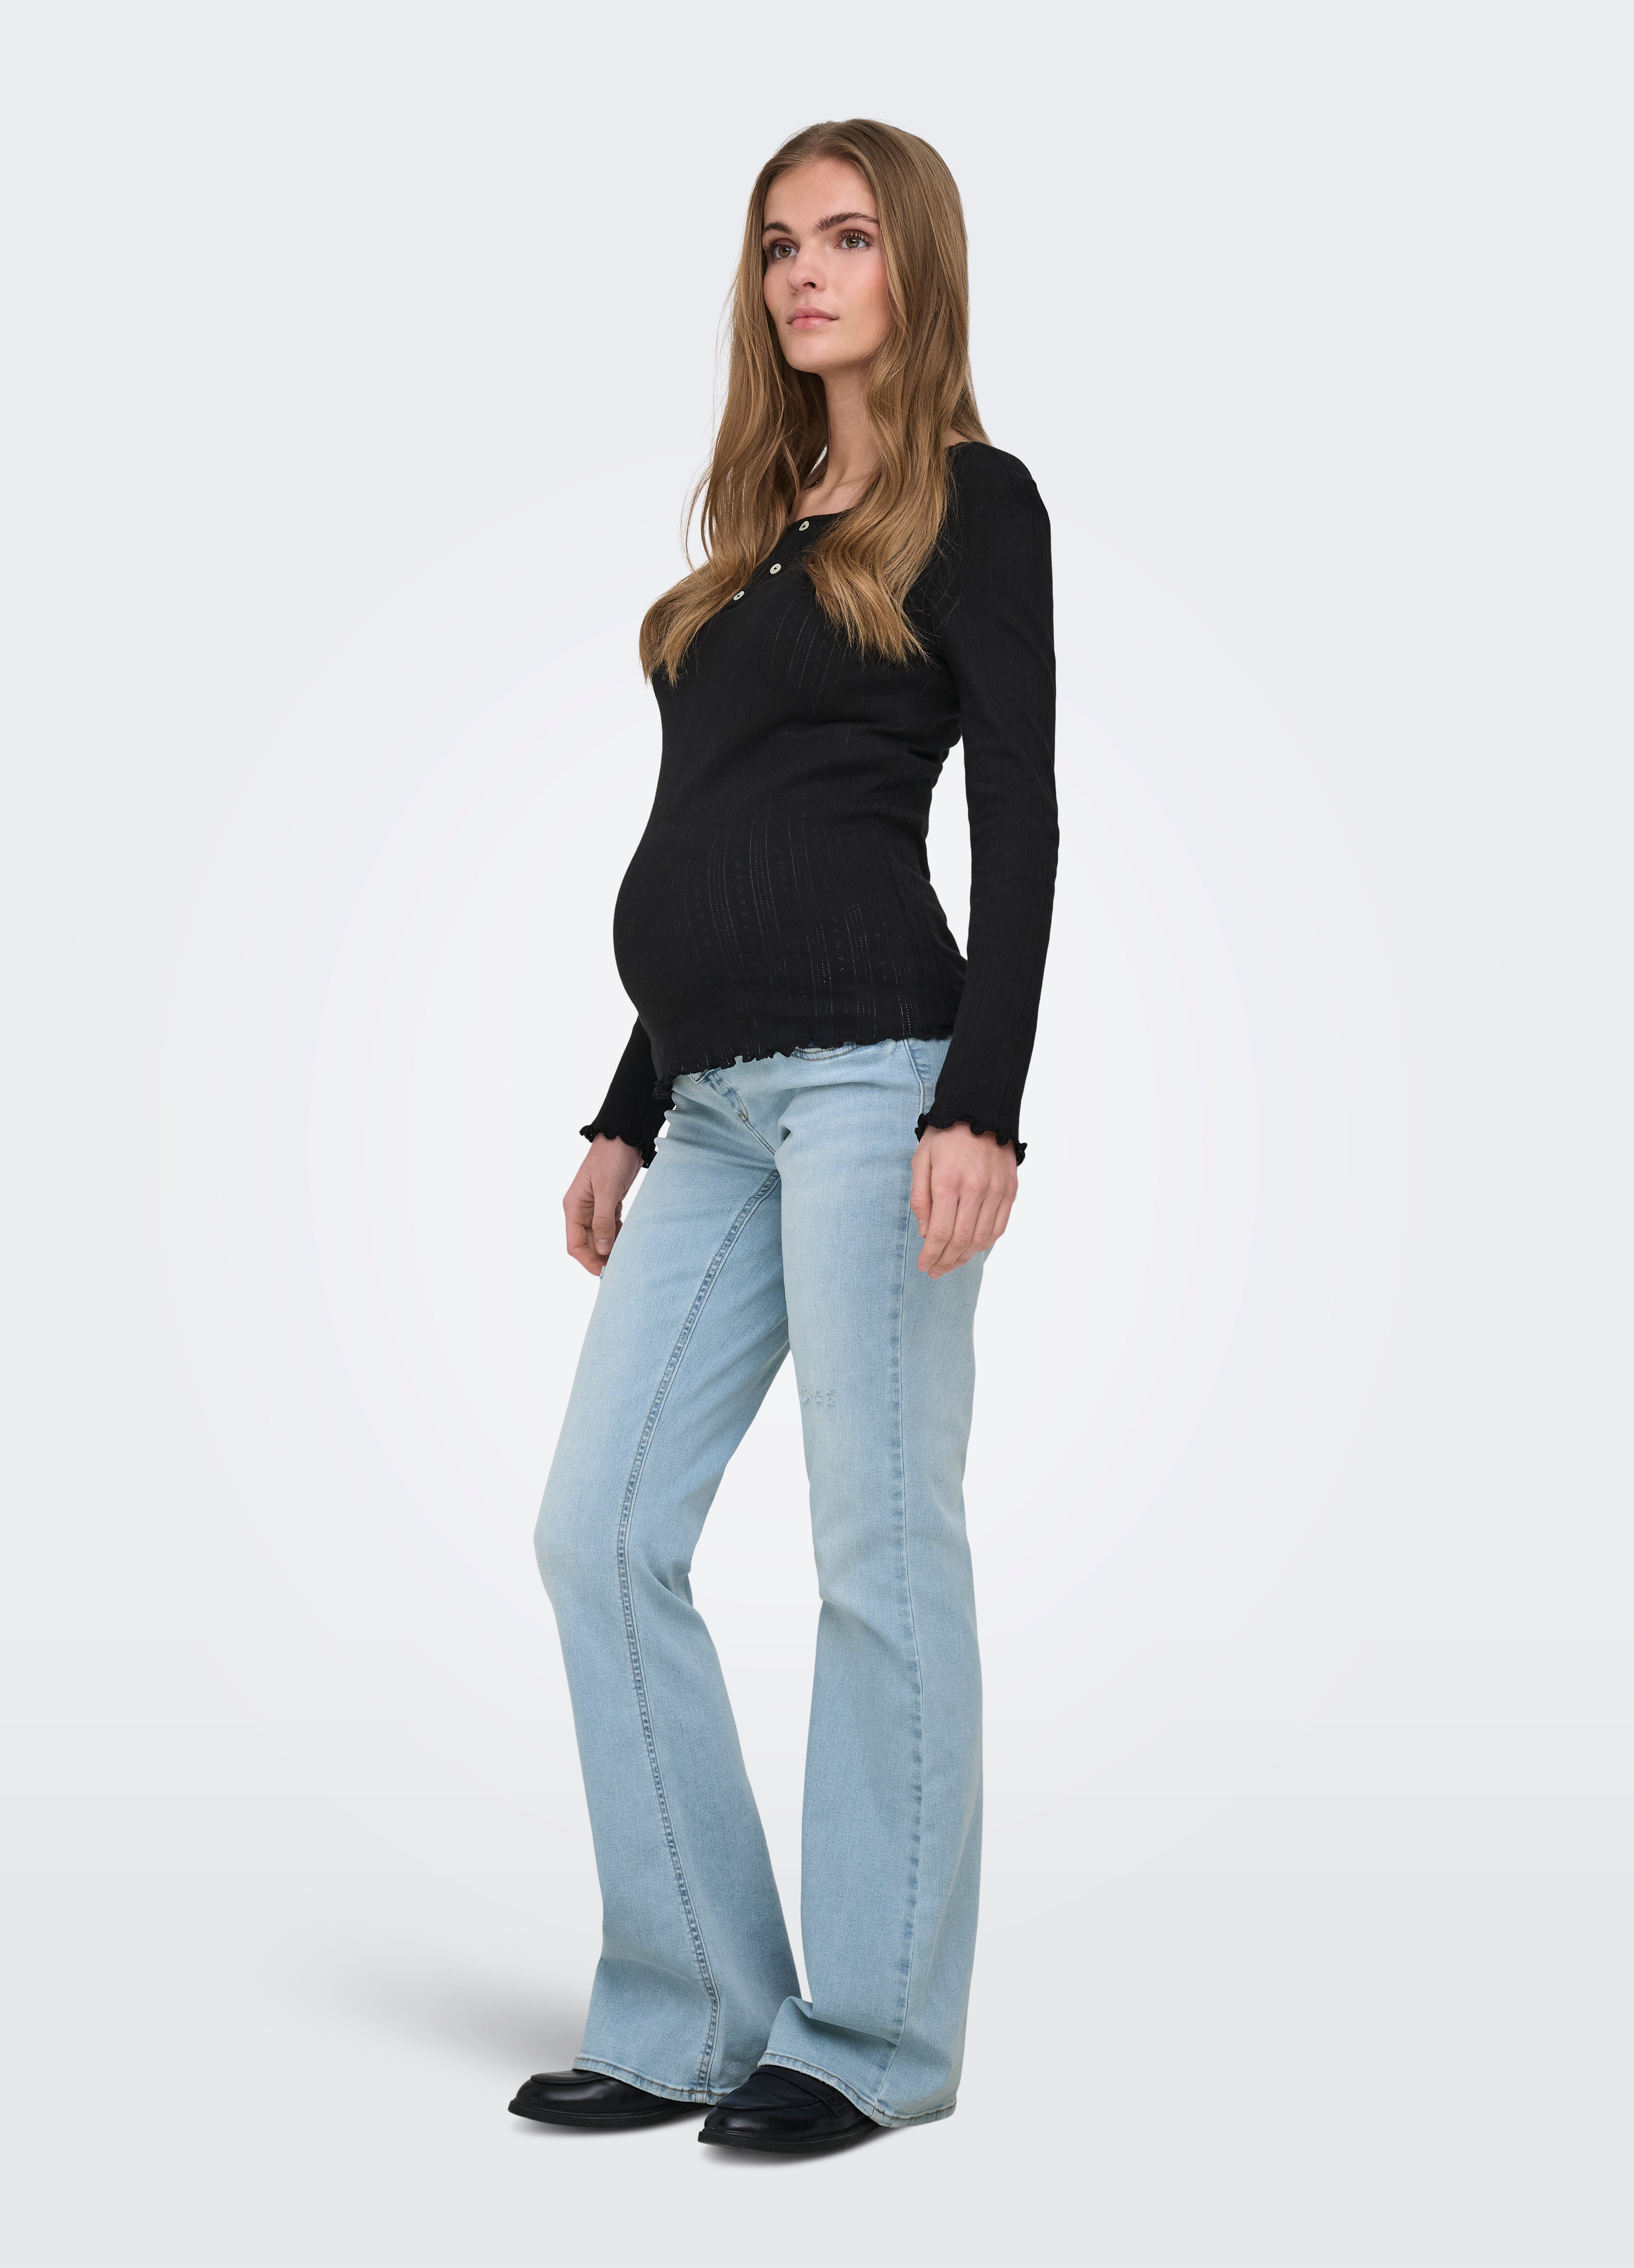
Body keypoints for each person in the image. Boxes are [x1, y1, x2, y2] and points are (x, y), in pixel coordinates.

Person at [511, 118, 1057, 2156]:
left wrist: (982, 1101)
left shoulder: (974, 504)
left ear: (916, 265)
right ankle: (688, 2014)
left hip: (874, 1085)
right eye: (775, 246)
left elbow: (1023, 817)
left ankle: (877, 2042)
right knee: (598, 1529)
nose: (804, 274)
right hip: (713, 1105)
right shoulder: (760, 528)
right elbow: (717, 838)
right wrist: (628, 1108)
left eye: (844, 238)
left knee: (877, 1546)